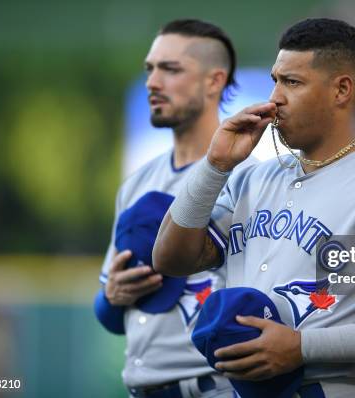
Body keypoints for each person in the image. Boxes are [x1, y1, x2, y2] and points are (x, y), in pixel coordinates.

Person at [153, 18, 355, 398]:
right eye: (275, 80)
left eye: (292, 82)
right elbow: (169, 258)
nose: (275, 97)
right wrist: (214, 166)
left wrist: (302, 347)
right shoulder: (253, 180)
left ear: (341, 90)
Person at [94, 19, 242, 398]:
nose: (152, 82)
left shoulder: (248, 178)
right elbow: (111, 316)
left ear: (214, 81)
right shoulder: (137, 183)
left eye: (170, 69)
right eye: (150, 69)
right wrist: (112, 296)